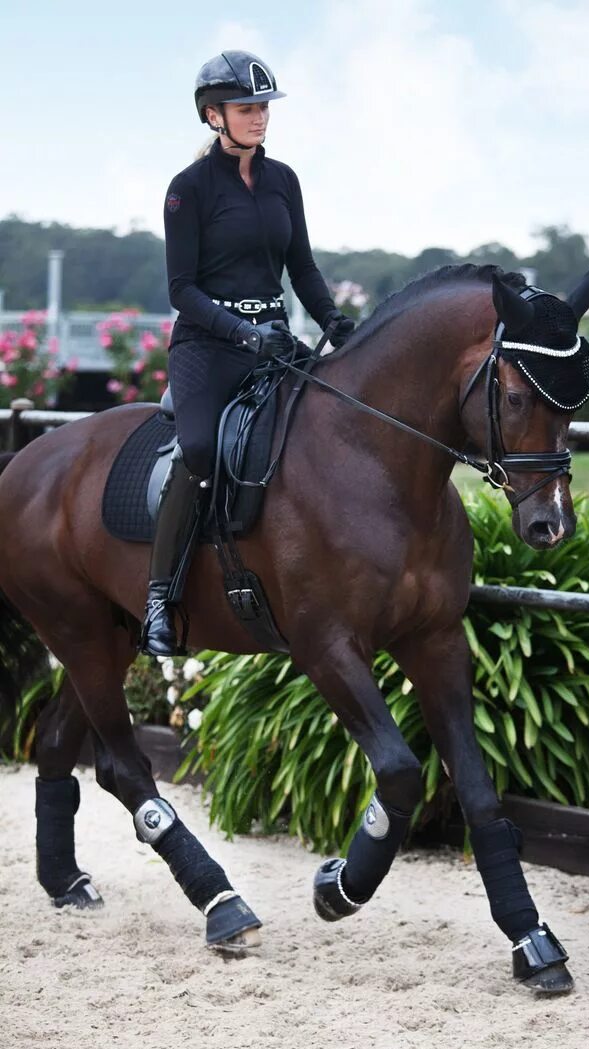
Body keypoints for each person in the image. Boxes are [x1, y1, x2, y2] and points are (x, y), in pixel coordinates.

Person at [140, 50, 355, 656]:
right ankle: (161, 596)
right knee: (202, 448)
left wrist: (336, 323)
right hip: (208, 347)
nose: (259, 117)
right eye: (246, 108)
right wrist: (240, 331)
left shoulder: (284, 179)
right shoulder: (188, 190)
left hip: (274, 343)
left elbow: (302, 267)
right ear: (213, 116)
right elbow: (181, 289)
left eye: (263, 107)